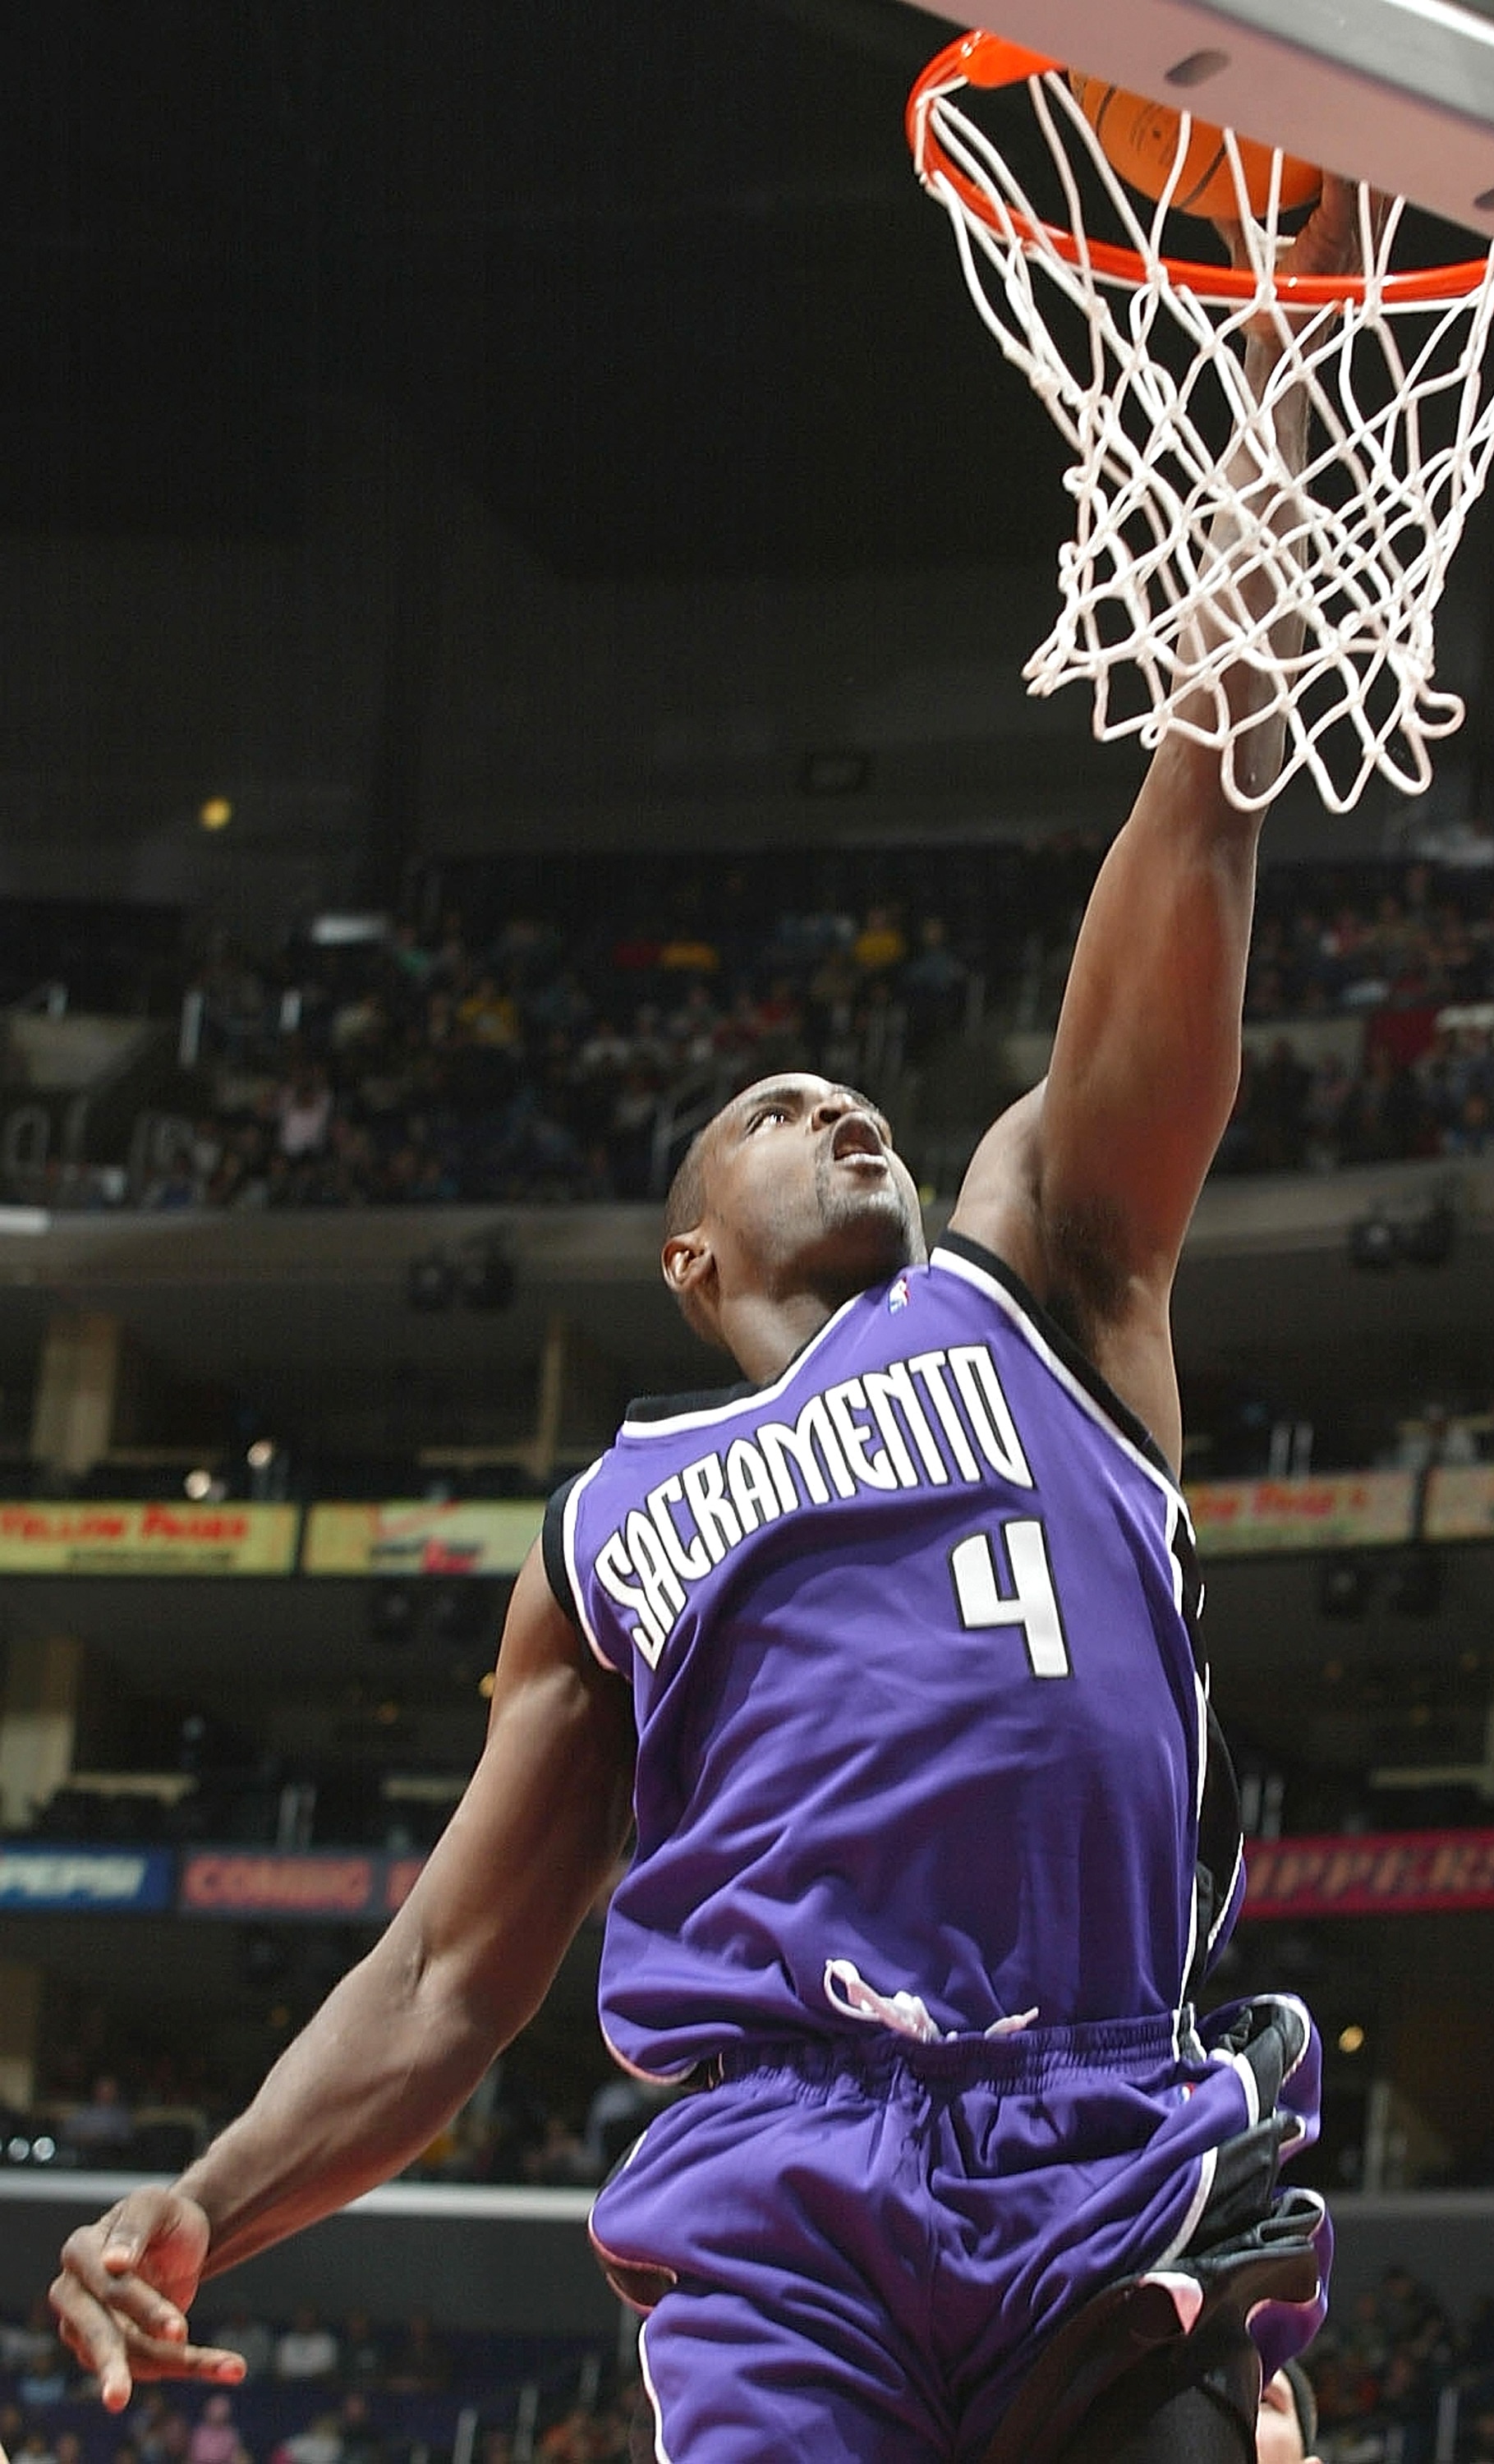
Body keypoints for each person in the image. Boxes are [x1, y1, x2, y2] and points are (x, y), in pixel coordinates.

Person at [47, 186, 1371, 2464]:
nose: (841, 1108)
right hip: (780, 2189)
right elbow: (449, 1972)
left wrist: (1275, 370)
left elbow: (1197, 809)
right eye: (775, 1109)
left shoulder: (1039, 1273)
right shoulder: (613, 1525)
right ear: (689, 1260)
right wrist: (208, 2195)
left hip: (1100, 2136)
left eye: (859, 1100)